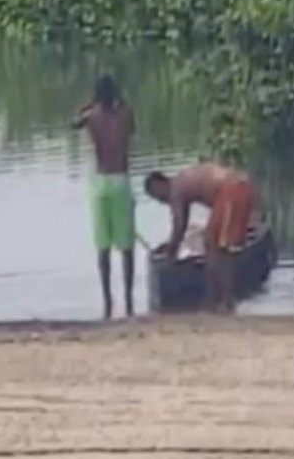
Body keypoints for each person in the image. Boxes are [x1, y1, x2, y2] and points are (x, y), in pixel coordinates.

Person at [144, 163, 261, 313]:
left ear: (160, 185)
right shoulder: (183, 182)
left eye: (156, 195)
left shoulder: (176, 189)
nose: (160, 201)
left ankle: (217, 301)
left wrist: (170, 253)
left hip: (231, 191)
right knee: (222, 249)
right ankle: (222, 300)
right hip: (242, 187)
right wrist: (173, 246)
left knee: (215, 247)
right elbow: (182, 225)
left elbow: (179, 226)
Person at [71, 75, 136, 319]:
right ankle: (129, 298)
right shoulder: (125, 114)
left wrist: (88, 105)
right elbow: (133, 128)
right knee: (127, 246)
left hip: (100, 184)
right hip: (120, 180)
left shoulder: (91, 117)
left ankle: (107, 299)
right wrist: (121, 101)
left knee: (103, 246)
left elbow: (73, 123)